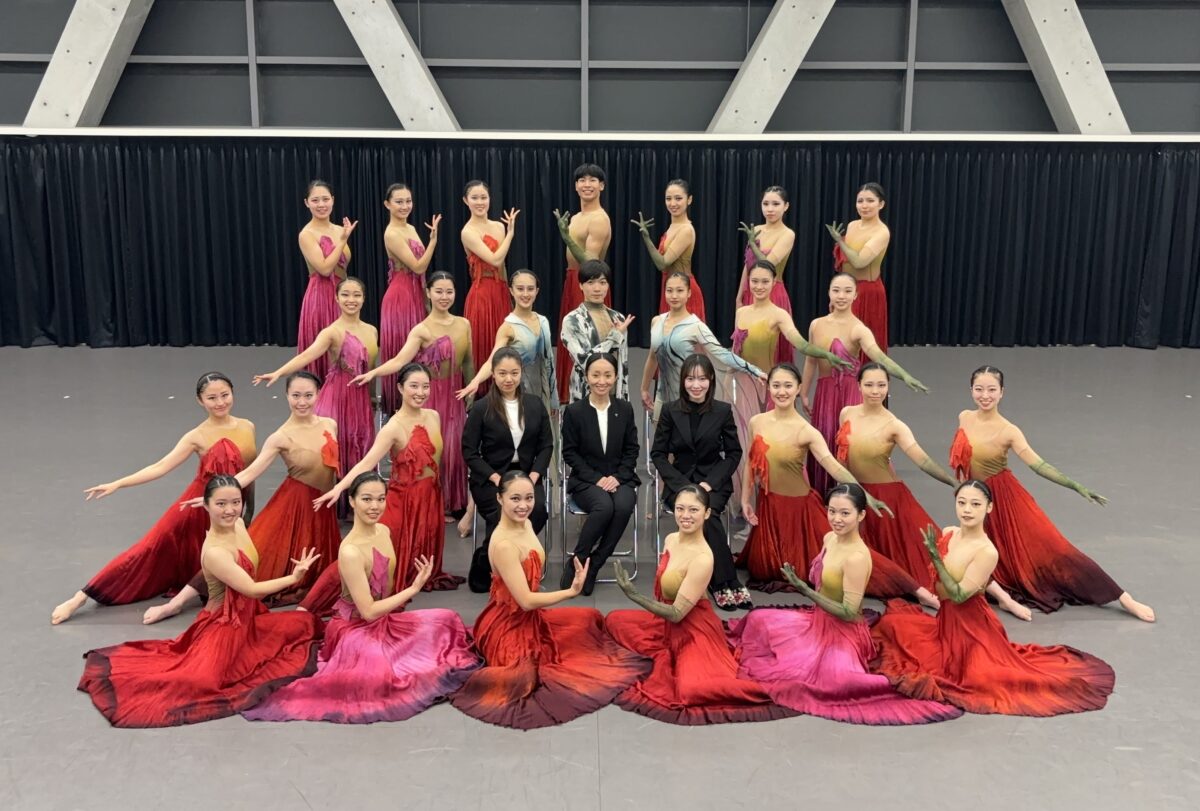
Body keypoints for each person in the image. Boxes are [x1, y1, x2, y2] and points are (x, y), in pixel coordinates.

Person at [77, 475, 322, 728]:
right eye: (221, 504)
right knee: (200, 682)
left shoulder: (238, 525)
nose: (230, 510)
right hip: (225, 627)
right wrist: (293, 578)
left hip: (248, 618)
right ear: (206, 505)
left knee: (304, 624)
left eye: (236, 502)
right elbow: (251, 589)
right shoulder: (216, 553)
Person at [242, 472, 481, 724]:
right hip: (354, 629)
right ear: (352, 501)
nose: (375, 506)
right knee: (379, 674)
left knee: (446, 620)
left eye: (380, 499)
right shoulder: (350, 552)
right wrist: (412, 589)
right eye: (367, 499)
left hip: (384, 621)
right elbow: (367, 611)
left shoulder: (384, 531)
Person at [871, 481, 1117, 716]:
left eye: (976, 504)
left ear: (989, 507)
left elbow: (959, 595)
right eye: (962, 503)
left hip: (972, 630)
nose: (967, 510)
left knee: (981, 679)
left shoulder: (987, 552)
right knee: (894, 627)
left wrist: (936, 558)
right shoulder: (949, 533)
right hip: (945, 624)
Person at [728, 484, 962, 725]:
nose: (836, 519)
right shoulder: (829, 538)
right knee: (757, 619)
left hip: (843, 633)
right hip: (816, 622)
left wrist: (806, 591)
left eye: (845, 513)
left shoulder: (856, 558)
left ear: (861, 515)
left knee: (836, 681)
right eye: (831, 511)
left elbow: (849, 613)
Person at [949, 366, 1154, 621]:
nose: (985, 395)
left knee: (1053, 546)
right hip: (975, 498)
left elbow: (1039, 465)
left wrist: (1075, 485)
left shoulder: (1008, 431)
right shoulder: (964, 417)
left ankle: (1123, 598)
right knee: (975, 549)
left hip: (1004, 498)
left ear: (1002, 393)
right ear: (971, 390)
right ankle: (1004, 598)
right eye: (979, 389)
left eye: (992, 390)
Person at [449, 472, 650, 730]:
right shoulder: (504, 545)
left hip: (532, 618)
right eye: (515, 499)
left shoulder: (525, 524)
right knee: (525, 675)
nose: (524, 505)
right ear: (500, 499)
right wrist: (570, 592)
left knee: (589, 619)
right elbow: (525, 601)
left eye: (529, 498)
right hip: (508, 628)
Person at [51, 372, 256, 624]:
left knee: (223, 555)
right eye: (212, 398)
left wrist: (247, 511)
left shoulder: (247, 427)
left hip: (229, 506)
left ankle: (184, 597)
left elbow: (249, 473)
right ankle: (80, 597)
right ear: (200, 401)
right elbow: (160, 466)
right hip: (196, 504)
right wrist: (119, 483)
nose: (220, 402)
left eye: (225, 395)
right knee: (151, 545)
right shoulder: (197, 436)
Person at [142, 371, 341, 623]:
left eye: (308, 395)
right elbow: (250, 472)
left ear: (319, 394)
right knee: (245, 555)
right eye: (296, 396)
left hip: (323, 505)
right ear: (286, 396)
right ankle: (176, 603)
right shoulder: (280, 436)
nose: (302, 402)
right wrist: (214, 495)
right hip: (294, 506)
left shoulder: (330, 424)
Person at [835, 363, 1029, 621]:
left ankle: (1003, 597)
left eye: (881, 385)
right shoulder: (847, 413)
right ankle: (917, 590)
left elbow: (922, 461)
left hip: (889, 498)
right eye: (869, 384)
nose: (875, 391)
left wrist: (952, 482)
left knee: (936, 548)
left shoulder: (894, 426)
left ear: (888, 388)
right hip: (857, 498)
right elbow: (842, 460)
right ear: (858, 385)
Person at [737, 364, 937, 607]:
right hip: (770, 507)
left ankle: (916, 590)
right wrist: (745, 499)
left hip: (802, 513)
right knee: (762, 568)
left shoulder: (807, 431)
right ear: (768, 387)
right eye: (776, 385)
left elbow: (833, 465)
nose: (782, 391)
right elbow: (751, 462)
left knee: (853, 556)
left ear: (799, 388)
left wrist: (864, 494)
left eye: (788, 386)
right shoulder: (757, 422)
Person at [605, 487, 793, 724]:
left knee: (692, 690)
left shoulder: (703, 558)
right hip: (664, 623)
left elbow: (677, 614)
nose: (685, 515)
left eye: (693, 510)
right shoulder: (671, 539)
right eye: (680, 508)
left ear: (707, 513)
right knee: (615, 619)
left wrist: (635, 596)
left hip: (694, 631)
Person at [311, 363, 464, 600]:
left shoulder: (434, 416)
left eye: (425, 386)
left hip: (432, 495)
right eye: (414, 386)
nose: (420, 392)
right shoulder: (392, 428)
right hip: (403, 500)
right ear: (400, 388)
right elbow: (367, 462)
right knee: (377, 550)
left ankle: (421, 575)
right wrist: (339, 487)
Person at [353, 271, 472, 513]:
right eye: (439, 291)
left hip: (455, 394)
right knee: (431, 449)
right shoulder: (421, 330)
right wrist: (374, 373)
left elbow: (468, 361)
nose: (444, 297)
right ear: (428, 293)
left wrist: (471, 389)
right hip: (429, 395)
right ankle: (432, 501)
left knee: (454, 449)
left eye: (449, 292)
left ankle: (452, 501)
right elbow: (400, 360)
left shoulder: (464, 324)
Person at [802, 272, 927, 496]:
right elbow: (811, 359)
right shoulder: (816, 325)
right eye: (836, 290)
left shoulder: (859, 329)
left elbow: (879, 356)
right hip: (824, 394)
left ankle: (855, 495)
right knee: (824, 441)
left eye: (847, 291)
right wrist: (803, 392)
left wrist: (904, 375)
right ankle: (826, 496)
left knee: (850, 443)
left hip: (850, 393)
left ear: (855, 295)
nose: (841, 296)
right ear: (829, 293)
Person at [255, 277, 376, 484]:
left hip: (361, 399)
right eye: (345, 295)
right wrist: (279, 372)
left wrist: (372, 397)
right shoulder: (332, 332)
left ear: (364, 298)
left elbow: (370, 369)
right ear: (336, 298)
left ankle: (355, 495)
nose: (351, 300)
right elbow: (306, 355)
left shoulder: (371, 330)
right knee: (338, 445)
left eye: (357, 295)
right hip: (338, 397)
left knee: (360, 444)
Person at [650, 354, 749, 610]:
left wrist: (710, 483)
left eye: (702, 379)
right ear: (683, 381)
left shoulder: (722, 411)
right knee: (703, 514)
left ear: (711, 380)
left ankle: (715, 579)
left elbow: (734, 453)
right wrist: (683, 486)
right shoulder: (670, 410)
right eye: (691, 379)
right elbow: (658, 454)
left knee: (707, 513)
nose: (696, 385)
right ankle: (725, 582)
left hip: (712, 482)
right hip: (679, 483)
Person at [461, 347, 554, 589]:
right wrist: (495, 478)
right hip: (492, 477)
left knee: (537, 510)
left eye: (514, 373)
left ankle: (494, 558)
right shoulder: (481, 408)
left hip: (526, 475)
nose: (508, 379)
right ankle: (499, 565)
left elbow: (546, 445)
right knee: (502, 512)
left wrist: (533, 476)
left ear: (521, 372)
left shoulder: (535, 405)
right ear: (493, 374)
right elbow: (470, 452)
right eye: (502, 373)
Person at [560, 352, 641, 596]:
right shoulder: (574, 411)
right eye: (595, 375)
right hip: (586, 480)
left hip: (620, 478)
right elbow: (570, 453)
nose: (601, 381)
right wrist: (597, 478)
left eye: (608, 375)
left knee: (624, 505)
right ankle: (578, 560)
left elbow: (632, 449)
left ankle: (594, 564)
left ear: (616, 377)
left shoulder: (625, 409)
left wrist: (617, 477)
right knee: (604, 507)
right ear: (586, 376)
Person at [640, 271, 764, 421]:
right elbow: (653, 358)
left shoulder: (696, 326)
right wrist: (644, 388)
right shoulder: (656, 321)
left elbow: (723, 354)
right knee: (661, 435)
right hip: (662, 399)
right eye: (669, 290)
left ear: (689, 293)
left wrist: (754, 370)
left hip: (687, 400)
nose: (674, 296)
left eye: (680, 290)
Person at [554, 163, 613, 404]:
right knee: (570, 341)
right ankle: (571, 401)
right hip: (572, 281)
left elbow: (590, 264)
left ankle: (590, 399)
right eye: (582, 180)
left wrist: (566, 237)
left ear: (602, 186)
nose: (587, 185)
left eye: (592, 180)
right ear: (576, 186)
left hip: (589, 285)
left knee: (588, 343)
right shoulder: (577, 217)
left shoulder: (599, 219)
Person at [379, 183, 440, 415]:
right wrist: (433, 241)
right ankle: (397, 407)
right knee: (402, 348)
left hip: (414, 294)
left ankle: (417, 402)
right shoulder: (392, 233)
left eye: (408, 201)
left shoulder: (411, 228)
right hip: (400, 298)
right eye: (399, 202)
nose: (405, 206)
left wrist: (425, 299)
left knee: (416, 349)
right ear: (387, 204)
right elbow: (418, 266)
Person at [458, 269, 557, 410]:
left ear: (537, 291)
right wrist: (476, 381)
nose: (525, 294)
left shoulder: (543, 321)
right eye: (520, 289)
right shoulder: (508, 327)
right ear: (511, 291)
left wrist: (553, 400)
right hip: (519, 390)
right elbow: (493, 360)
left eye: (530, 289)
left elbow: (549, 362)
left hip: (544, 390)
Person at [296, 179, 355, 381]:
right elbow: (324, 268)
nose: (321, 204)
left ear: (333, 200)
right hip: (321, 298)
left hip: (342, 296)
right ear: (307, 203)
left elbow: (342, 268)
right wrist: (343, 240)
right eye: (315, 200)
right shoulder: (306, 234)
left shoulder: (339, 229)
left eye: (325, 199)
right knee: (324, 351)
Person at [461, 180, 518, 381]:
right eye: (474, 198)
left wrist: (510, 296)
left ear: (489, 199)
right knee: (482, 342)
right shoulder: (468, 231)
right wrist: (510, 234)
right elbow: (495, 259)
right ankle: (479, 391)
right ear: (465, 201)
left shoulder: (498, 226)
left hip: (500, 290)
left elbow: (502, 267)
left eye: (483, 197)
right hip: (482, 293)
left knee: (503, 343)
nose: (480, 202)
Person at [826, 182, 891, 360]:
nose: (864, 205)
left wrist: (840, 241)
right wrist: (837, 293)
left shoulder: (882, 232)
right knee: (843, 340)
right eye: (860, 201)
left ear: (881, 204)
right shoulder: (853, 225)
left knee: (865, 344)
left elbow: (859, 261)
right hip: (848, 289)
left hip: (868, 293)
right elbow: (846, 264)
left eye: (870, 200)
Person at [560, 259, 634, 403]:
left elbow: (623, 363)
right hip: (584, 395)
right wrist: (614, 336)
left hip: (615, 394)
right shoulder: (572, 320)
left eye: (602, 282)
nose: (597, 288)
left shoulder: (617, 318)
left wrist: (624, 399)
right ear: (580, 285)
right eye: (590, 282)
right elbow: (585, 360)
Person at [632, 179, 704, 321]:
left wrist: (646, 238)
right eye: (668, 198)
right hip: (671, 287)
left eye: (678, 198)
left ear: (689, 200)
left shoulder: (686, 230)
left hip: (683, 290)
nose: (672, 203)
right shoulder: (673, 226)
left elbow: (662, 263)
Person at [736, 185, 796, 326]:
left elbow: (767, 266)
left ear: (786, 206)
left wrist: (753, 245)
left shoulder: (787, 234)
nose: (770, 209)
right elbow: (748, 265)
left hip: (772, 292)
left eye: (776, 204)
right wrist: (739, 297)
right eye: (765, 204)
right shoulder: (756, 230)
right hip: (752, 290)